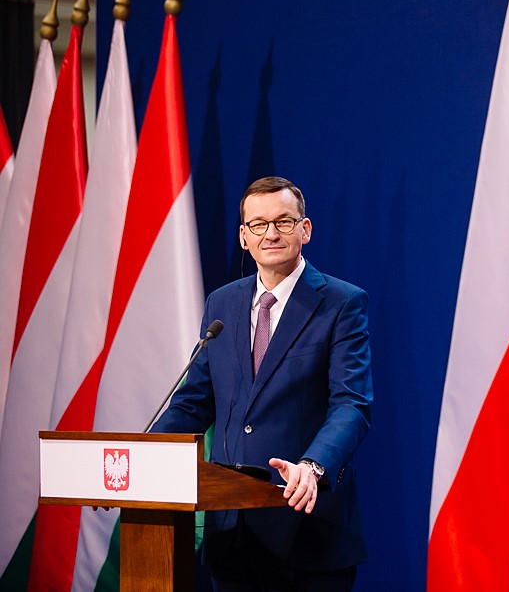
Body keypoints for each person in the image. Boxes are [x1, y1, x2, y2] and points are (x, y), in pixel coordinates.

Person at [151, 176, 372, 591]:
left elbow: (352, 405)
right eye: (258, 224)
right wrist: (143, 457)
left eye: (284, 222)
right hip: (232, 533)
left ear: (304, 230)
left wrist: (313, 464)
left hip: (305, 530)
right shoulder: (222, 303)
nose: (271, 233)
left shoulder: (342, 303)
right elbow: (193, 403)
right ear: (243, 237)